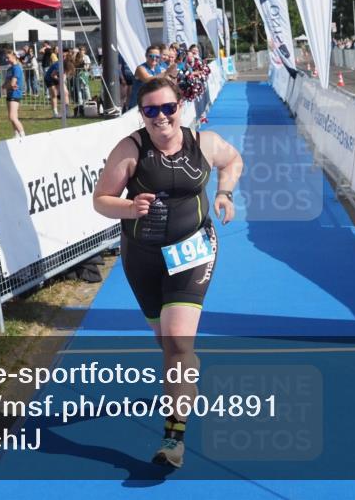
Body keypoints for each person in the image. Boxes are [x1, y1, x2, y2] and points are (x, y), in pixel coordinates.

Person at [92, 77, 243, 468]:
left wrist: (225, 193)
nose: (161, 118)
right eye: (150, 111)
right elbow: (101, 200)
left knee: (176, 343)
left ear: (181, 108)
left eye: (167, 109)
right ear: (141, 115)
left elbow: (234, 160)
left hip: (193, 251)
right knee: (169, 347)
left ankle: (173, 437)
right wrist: (128, 208)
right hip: (142, 256)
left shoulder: (202, 143)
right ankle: (186, 367)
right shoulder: (130, 149)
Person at [4, 50, 25, 138]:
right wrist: (8, 85)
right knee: (11, 117)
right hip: (10, 93)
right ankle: (16, 134)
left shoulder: (16, 68)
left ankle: (23, 134)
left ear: (14, 56)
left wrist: (8, 85)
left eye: (8, 57)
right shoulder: (9, 69)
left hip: (15, 94)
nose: (6, 60)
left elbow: (13, 83)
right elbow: (6, 84)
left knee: (13, 117)